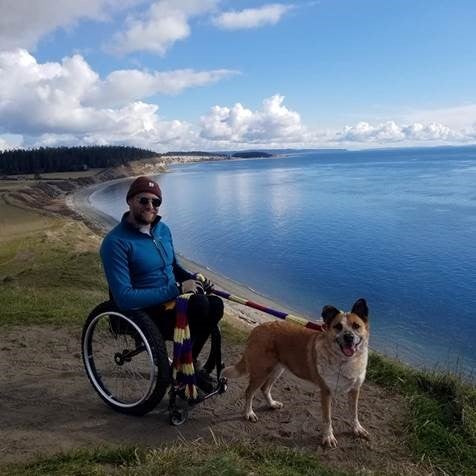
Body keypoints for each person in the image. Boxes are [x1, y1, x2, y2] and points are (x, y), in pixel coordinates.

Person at [100, 176, 223, 391]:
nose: (150, 206)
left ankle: (187, 365)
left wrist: (192, 278)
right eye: (143, 200)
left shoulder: (162, 230)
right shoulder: (115, 243)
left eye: (156, 202)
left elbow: (173, 266)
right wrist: (176, 289)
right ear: (129, 201)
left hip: (172, 301)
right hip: (144, 311)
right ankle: (186, 369)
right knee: (202, 307)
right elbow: (124, 298)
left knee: (215, 304)